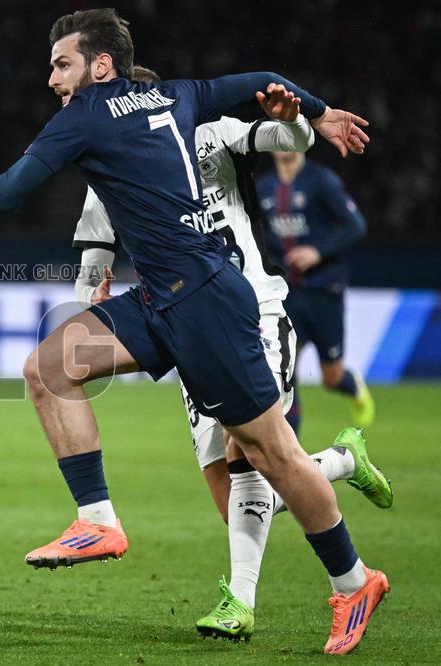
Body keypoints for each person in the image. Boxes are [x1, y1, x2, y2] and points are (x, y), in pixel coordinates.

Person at [0, 9, 384, 654]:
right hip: (164, 297)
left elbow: (7, 193)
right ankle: (97, 520)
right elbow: (263, 79)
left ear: (100, 65)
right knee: (50, 370)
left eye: (61, 63)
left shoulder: (85, 115)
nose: (52, 78)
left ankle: (353, 580)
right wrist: (318, 111)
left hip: (205, 300)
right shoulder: (179, 94)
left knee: (270, 454)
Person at [72, 65, 392, 642]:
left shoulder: (208, 132)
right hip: (187, 325)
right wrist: (89, 289)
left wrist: (297, 120)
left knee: (255, 451)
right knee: (235, 499)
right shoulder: (109, 159)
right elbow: (96, 239)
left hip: (254, 311)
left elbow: (284, 139)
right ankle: (341, 462)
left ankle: (246, 603)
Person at [258, 153, 373, 432]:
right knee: (286, 369)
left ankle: (352, 385)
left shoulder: (321, 181)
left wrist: (318, 251)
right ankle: (291, 447)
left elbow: (355, 225)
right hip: (288, 293)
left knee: (331, 377)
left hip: (324, 289)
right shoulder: (262, 187)